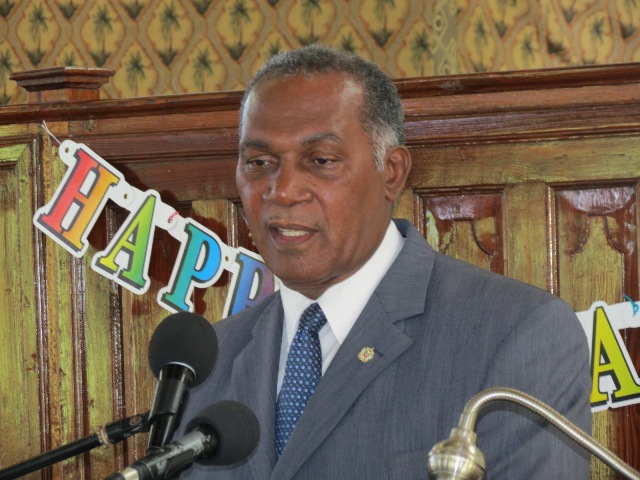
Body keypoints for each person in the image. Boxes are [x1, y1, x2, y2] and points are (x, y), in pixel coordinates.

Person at [176, 44, 592, 479]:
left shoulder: (516, 332)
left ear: (391, 172)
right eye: (259, 162)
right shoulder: (208, 362)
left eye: (320, 161)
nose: (281, 191)